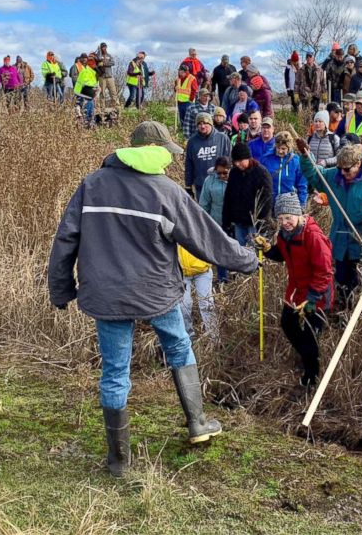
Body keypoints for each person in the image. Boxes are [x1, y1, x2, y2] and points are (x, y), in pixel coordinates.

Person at [47, 122, 259, 477]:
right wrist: (247, 260)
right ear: (155, 152)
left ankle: (118, 462)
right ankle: (197, 424)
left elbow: (65, 239)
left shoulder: (92, 185)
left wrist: (61, 289)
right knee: (178, 347)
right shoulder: (167, 191)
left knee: (115, 371)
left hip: (107, 294)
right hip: (156, 292)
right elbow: (207, 237)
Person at [297, 144, 362, 308]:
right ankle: (342, 314)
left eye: (347, 170)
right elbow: (314, 175)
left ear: (358, 163)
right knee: (342, 281)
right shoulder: (334, 176)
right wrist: (305, 156)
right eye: (340, 169)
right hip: (341, 241)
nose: (343, 173)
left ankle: (361, 318)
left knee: (361, 285)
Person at [252, 193, 334, 387]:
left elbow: (324, 271)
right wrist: (269, 248)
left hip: (317, 294)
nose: (285, 222)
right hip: (296, 291)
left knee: (310, 335)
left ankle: (312, 375)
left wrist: (313, 298)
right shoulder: (285, 234)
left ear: (299, 214)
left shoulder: (313, 236)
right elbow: (283, 255)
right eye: (280, 219)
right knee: (288, 324)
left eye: (288, 217)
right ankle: (305, 358)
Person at [223, 141, 274, 246]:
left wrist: (260, 222)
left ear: (248, 158)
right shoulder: (234, 173)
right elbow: (228, 197)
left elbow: (267, 201)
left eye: (241, 160)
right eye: (235, 161)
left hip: (254, 223)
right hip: (238, 221)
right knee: (241, 250)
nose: (238, 164)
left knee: (255, 250)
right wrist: (226, 220)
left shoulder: (261, 173)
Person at [185, 112, 231, 198]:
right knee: (203, 210)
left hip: (220, 183)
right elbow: (189, 164)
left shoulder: (222, 138)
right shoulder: (192, 142)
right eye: (199, 124)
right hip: (200, 185)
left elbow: (229, 160)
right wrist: (188, 185)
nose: (202, 126)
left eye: (205, 123)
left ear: (211, 124)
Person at [200, 157, 231, 282]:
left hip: (235, 222)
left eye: (225, 173)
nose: (222, 175)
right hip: (217, 221)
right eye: (219, 173)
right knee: (220, 251)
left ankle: (238, 277)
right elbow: (204, 203)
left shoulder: (238, 179)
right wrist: (203, 221)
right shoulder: (210, 181)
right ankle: (222, 278)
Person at [177, 246, 218, 343]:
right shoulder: (172, 230)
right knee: (184, 307)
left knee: (207, 304)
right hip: (181, 272)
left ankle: (215, 339)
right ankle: (188, 339)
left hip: (203, 270)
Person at [259, 132, 308, 207]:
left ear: (289, 147)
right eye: (278, 148)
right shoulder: (266, 159)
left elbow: (302, 185)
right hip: (269, 203)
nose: (280, 151)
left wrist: (302, 205)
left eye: (283, 149)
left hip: (288, 204)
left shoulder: (296, 161)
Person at [74, 54, 98, 126]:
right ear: (80, 58)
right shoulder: (77, 66)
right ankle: (85, 121)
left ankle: (89, 121)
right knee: (82, 104)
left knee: (90, 104)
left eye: (85, 58)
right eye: (83, 58)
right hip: (80, 89)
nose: (84, 59)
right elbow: (74, 76)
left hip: (87, 89)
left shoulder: (88, 68)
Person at [94, 42, 118, 108]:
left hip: (110, 77)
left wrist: (104, 63)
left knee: (113, 92)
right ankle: (102, 107)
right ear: (101, 48)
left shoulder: (109, 55)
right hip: (102, 77)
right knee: (102, 93)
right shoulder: (98, 55)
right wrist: (99, 51)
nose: (104, 48)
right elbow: (98, 59)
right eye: (102, 47)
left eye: (105, 47)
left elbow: (113, 63)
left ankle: (115, 106)